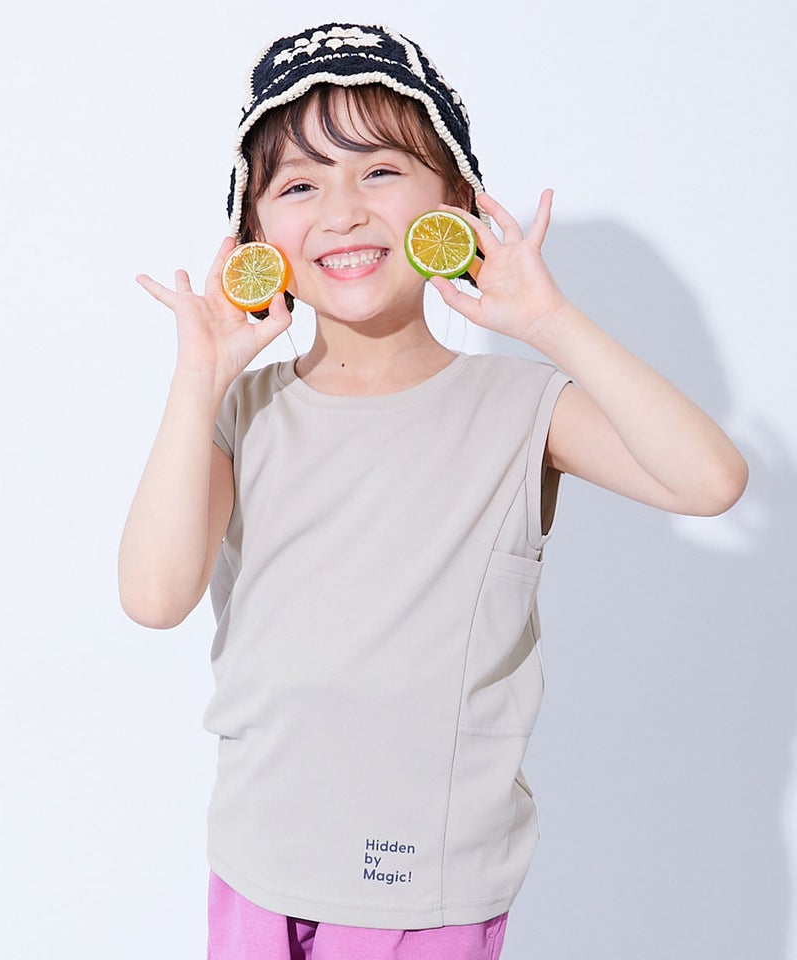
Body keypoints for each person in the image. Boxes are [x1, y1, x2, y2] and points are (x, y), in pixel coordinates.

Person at [118, 22, 748, 960]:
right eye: (299, 186)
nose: (342, 212)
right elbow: (154, 595)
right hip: (255, 862)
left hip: (426, 885)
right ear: (253, 237)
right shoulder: (239, 412)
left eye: (380, 171)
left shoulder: (521, 408)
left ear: (453, 201)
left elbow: (710, 481)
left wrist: (551, 321)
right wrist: (197, 378)